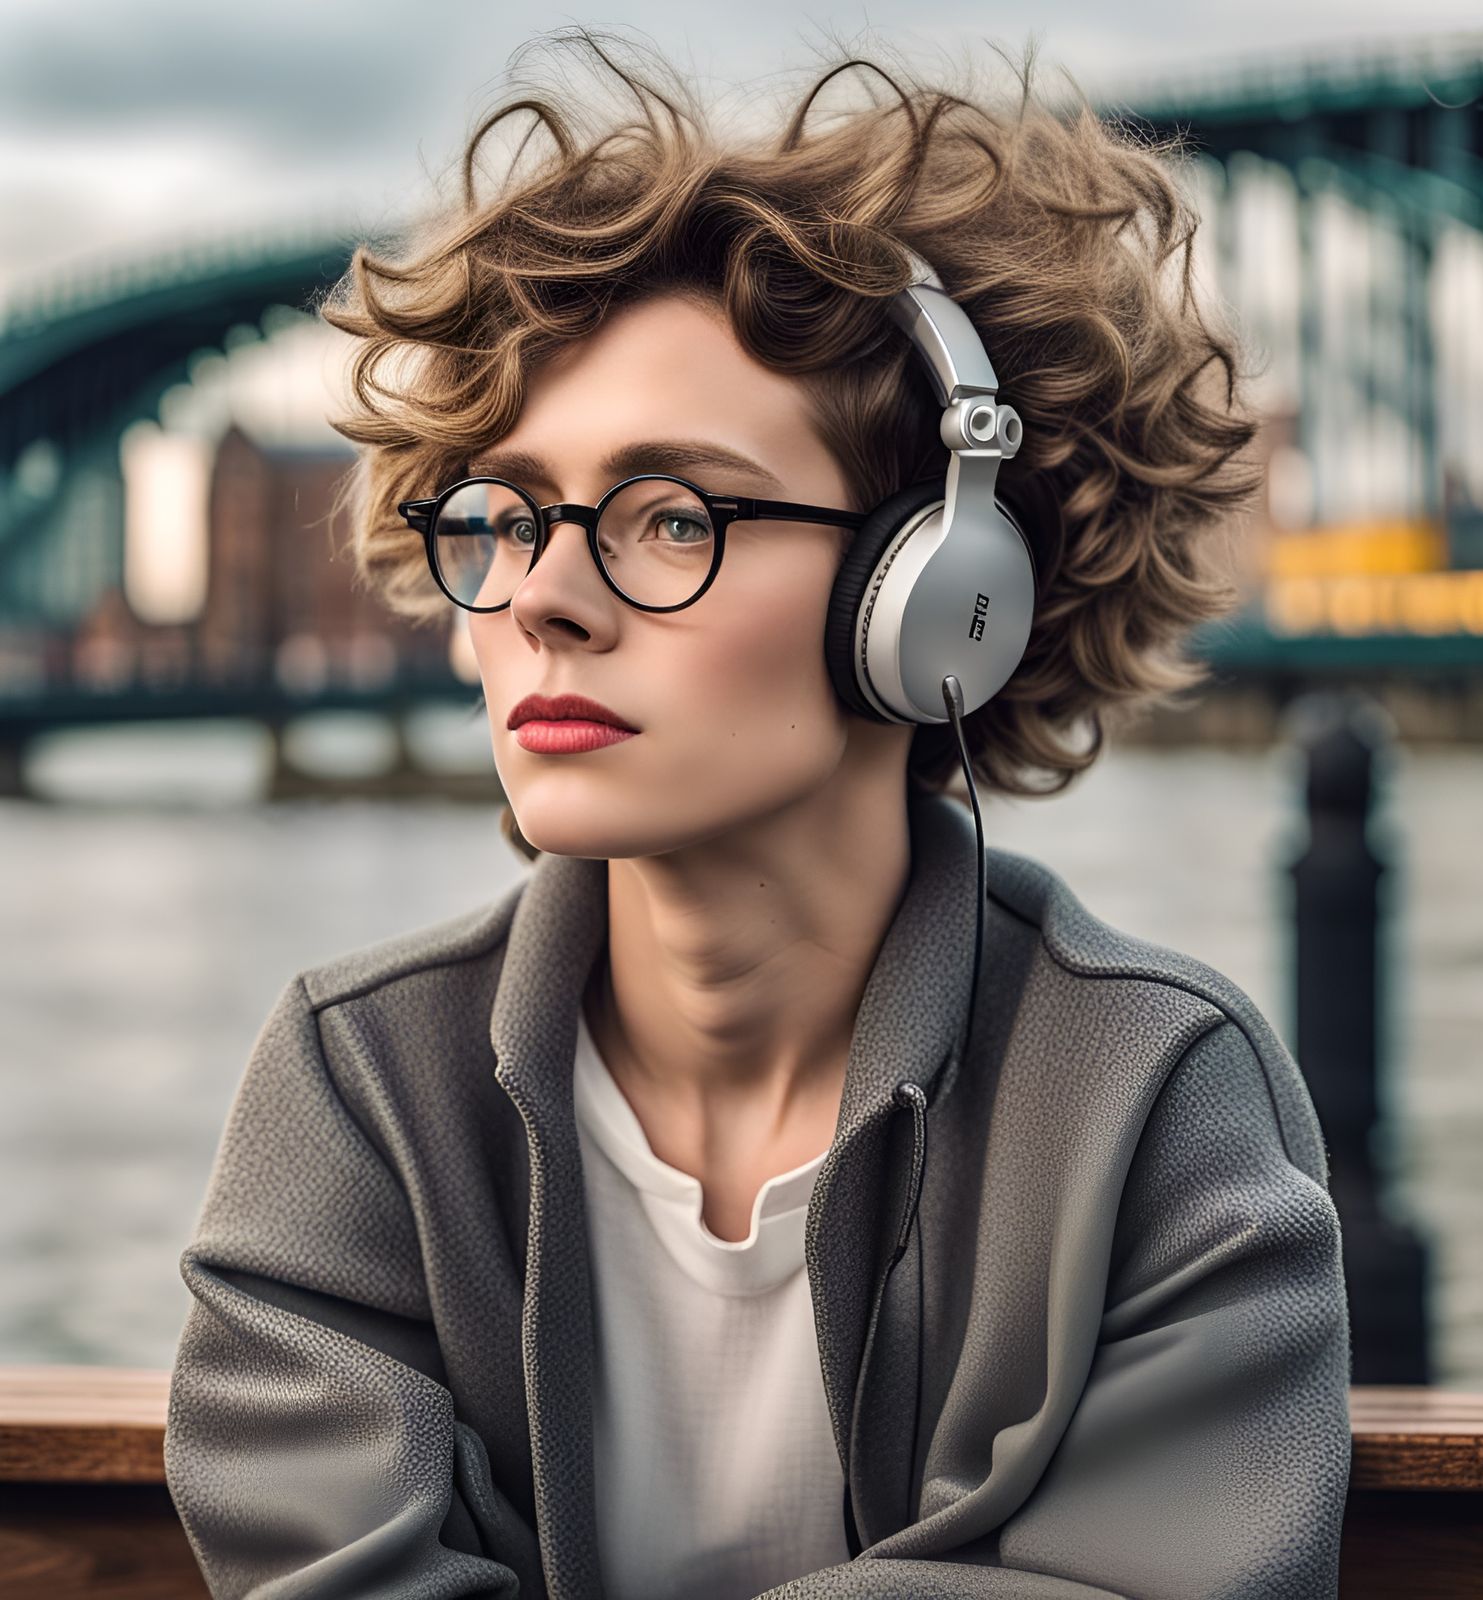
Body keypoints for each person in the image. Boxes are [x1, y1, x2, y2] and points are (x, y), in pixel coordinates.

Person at [165, 28, 1352, 1600]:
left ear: (940, 601)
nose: (546, 596)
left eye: (675, 516)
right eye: (505, 513)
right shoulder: (361, 1092)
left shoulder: (1151, 1106)